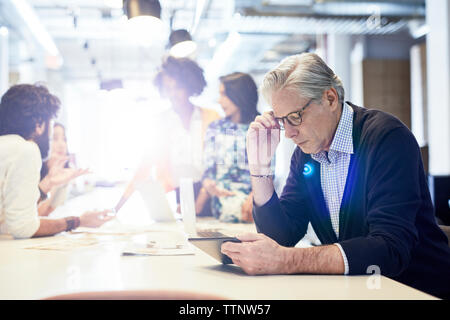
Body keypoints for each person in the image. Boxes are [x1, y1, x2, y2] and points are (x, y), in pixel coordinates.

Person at [221, 53, 450, 299]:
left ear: (329, 98)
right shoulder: (307, 153)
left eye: (295, 117)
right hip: (362, 290)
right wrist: (260, 167)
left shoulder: (387, 139)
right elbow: (281, 237)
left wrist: (286, 260)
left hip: (415, 290)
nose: (288, 133)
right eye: (281, 121)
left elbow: (389, 250)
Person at [0, 84, 113, 239]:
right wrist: (77, 221)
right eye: (51, 125)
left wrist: (48, 184)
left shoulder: (8, 147)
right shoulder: (25, 149)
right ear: (39, 124)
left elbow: (8, 221)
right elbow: (22, 228)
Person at [119, 56, 220, 210]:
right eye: (168, 88)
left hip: (210, 195)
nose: (173, 94)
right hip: (176, 198)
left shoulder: (212, 118)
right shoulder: (160, 122)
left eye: (178, 87)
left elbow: (221, 164)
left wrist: (201, 200)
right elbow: (143, 169)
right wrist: (117, 207)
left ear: (190, 86)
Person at [195, 72, 259, 222]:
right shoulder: (216, 128)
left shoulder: (260, 127)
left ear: (239, 95)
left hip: (251, 213)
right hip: (220, 213)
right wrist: (208, 184)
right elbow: (209, 171)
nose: (219, 100)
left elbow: (267, 172)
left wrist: (254, 197)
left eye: (224, 94)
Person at [38, 123, 86, 216]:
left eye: (64, 139)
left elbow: (48, 212)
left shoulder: (66, 170)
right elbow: (38, 214)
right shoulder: (32, 169)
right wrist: (52, 182)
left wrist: (57, 181)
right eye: (54, 138)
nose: (62, 145)